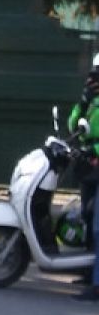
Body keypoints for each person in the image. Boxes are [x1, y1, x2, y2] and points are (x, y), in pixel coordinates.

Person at [68, 64, 99, 301]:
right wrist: (84, 101)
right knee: (88, 219)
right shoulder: (93, 102)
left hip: (94, 159)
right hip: (89, 166)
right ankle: (90, 273)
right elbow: (73, 126)